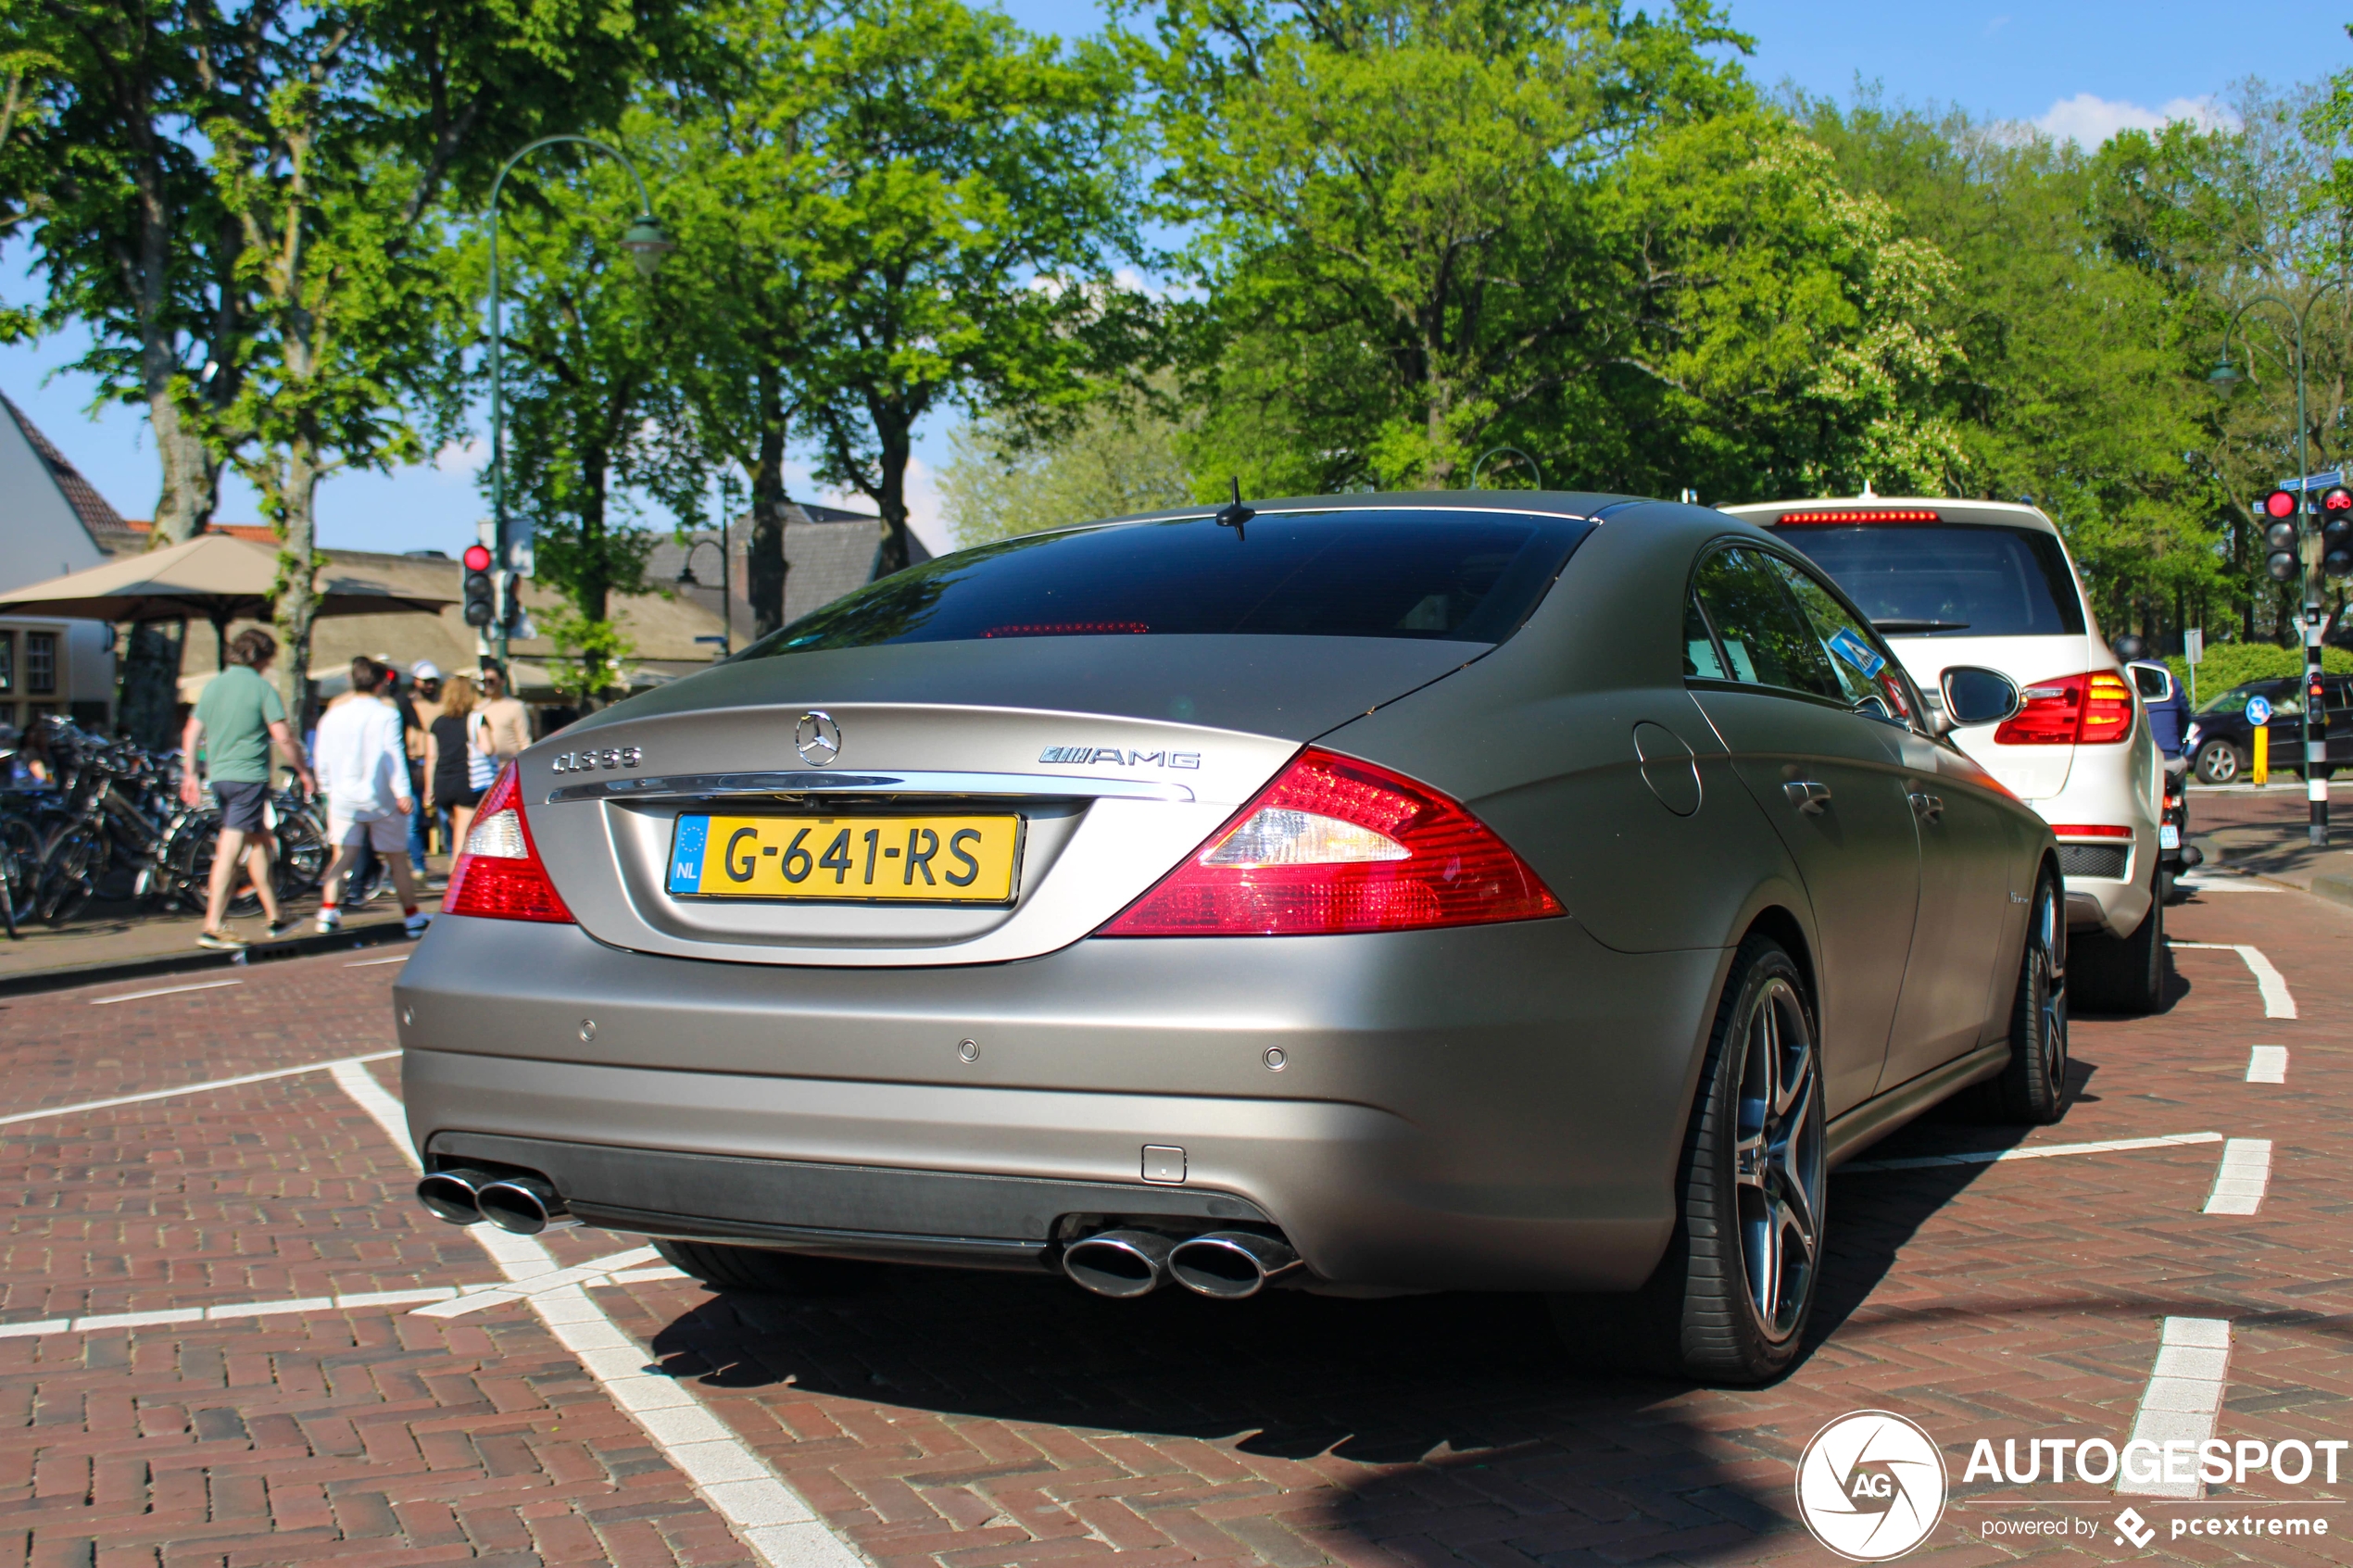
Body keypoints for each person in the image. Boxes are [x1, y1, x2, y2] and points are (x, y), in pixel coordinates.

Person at [180, 629, 315, 951]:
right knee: (230, 848)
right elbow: (283, 737)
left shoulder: (214, 686)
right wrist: (303, 770)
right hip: (248, 778)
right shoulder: (261, 688)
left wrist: (190, 774)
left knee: (257, 843)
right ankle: (212, 925)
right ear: (262, 658)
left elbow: (191, 731)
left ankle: (275, 915)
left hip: (219, 776)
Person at [313, 656, 428, 937]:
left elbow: (321, 756)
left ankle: (328, 911)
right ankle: (412, 917)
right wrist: (403, 792)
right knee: (396, 857)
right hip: (381, 797)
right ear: (381, 684)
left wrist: (326, 787)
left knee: (342, 855)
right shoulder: (386, 714)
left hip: (343, 797)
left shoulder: (333, 715)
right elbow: (393, 754)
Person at [425, 673, 487, 852]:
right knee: (463, 836)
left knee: (458, 829)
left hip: (442, 784)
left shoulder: (437, 723)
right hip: (467, 782)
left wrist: (429, 790)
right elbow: (488, 748)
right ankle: (456, 876)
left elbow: (431, 757)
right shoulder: (476, 719)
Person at [2116, 634, 2190, 782]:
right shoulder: (2170, 682)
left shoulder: (2120, 687)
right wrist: (2175, 744)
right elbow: (2185, 717)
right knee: (2178, 783)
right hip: (2171, 760)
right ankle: (2178, 802)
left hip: (2140, 762)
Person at [409, 661, 447, 861]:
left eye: (433, 682)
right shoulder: (410, 705)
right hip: (416, 763)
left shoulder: (443, 706)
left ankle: (451, 860)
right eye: (426, 682)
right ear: (416, 682)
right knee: (413, 819)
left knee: (445, 817)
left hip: (440, 764)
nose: (430, 686)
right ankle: (418, 865)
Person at [475, 664, 532, 771]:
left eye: (491, 681)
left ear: (502, 682)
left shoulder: (515, 707)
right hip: (486, 768)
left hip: (509, 766)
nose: (487, 685)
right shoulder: (479, 709)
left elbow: (524, 740)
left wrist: (525, 766)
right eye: (484, 681)